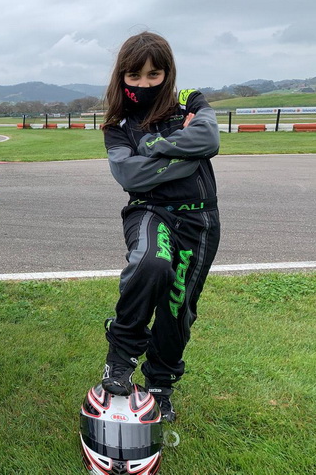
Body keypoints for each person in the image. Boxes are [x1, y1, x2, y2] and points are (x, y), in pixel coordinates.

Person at [98, 31, 221, 422]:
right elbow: (130, 175)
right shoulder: (117, 124)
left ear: (168, 73)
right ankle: (120, 357)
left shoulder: (190, 100)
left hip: (199, 218)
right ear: (122, 75)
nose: (144, 83)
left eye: (154, 74)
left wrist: (151, 146)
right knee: (150, 263)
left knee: (177, 307)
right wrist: (185, 150)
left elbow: (209, 137)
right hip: (148, 210)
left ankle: (159, 385)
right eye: (134, 75)